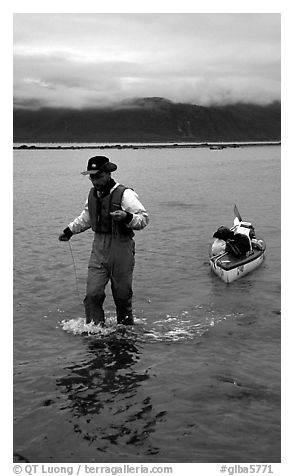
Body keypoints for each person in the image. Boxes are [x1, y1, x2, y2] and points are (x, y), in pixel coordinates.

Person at [59, 156, 149, 326]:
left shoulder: (125, 194)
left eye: (98, 176)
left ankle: (125, 332)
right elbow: (86, 217)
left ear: (108, 173)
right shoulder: (92, 194)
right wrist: (69, 231)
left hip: (122, 248)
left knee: (122, 296)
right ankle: (95, 331)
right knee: (93, 294)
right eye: (92, 177)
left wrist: (127, 216)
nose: (94, 181)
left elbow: (143, 219)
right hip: (99, 248)